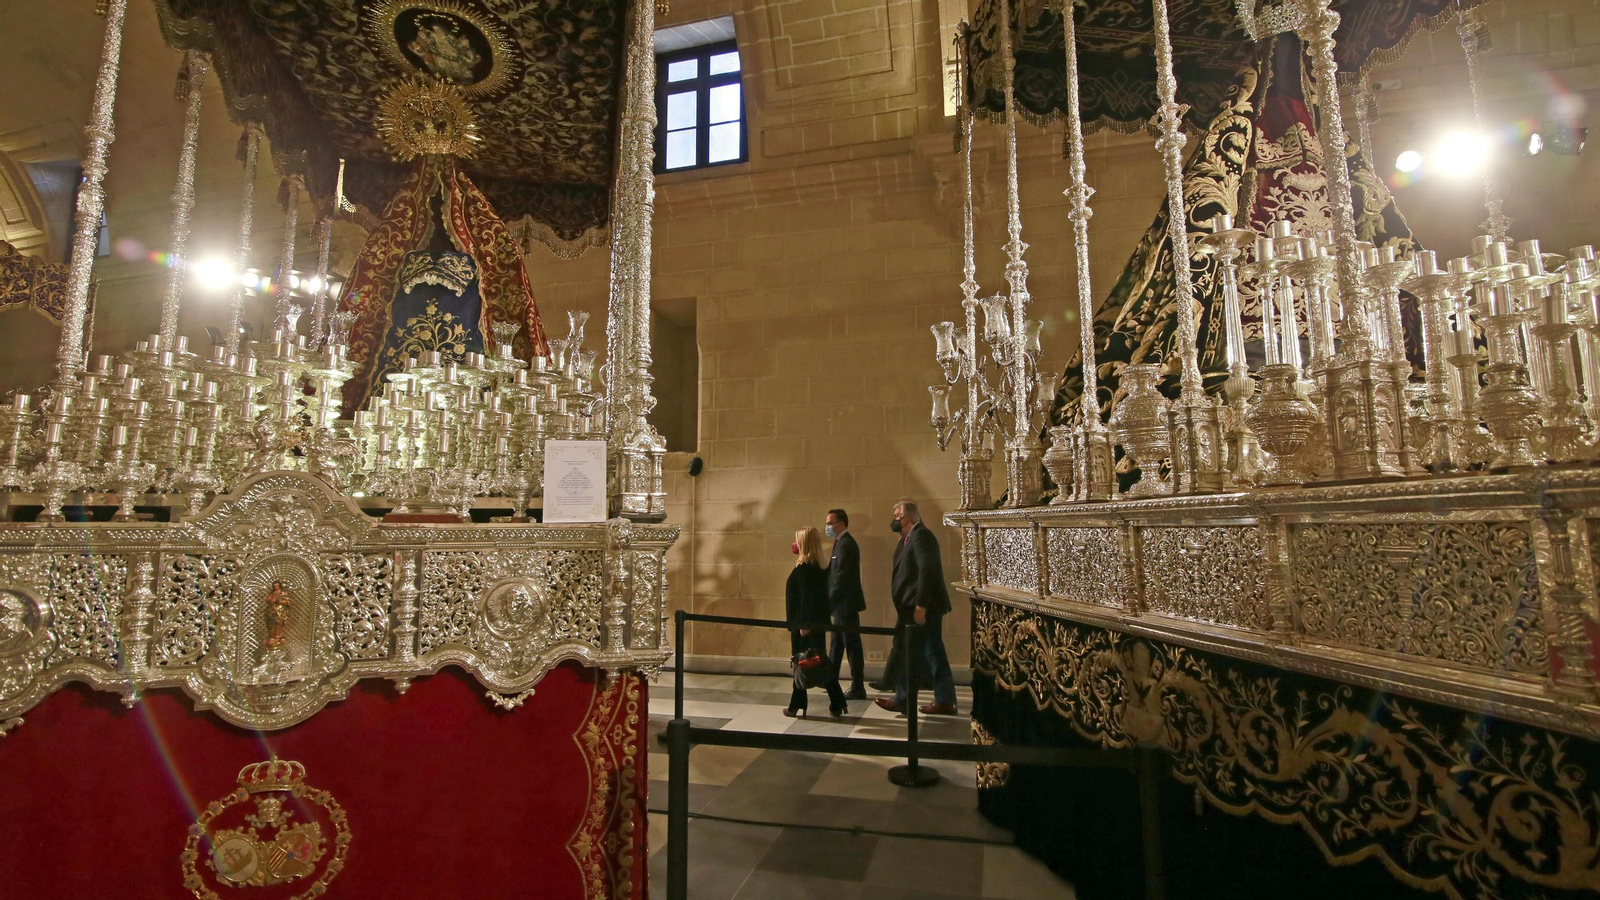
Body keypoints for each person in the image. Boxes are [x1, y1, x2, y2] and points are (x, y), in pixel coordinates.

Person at [875, 500, 957, 715]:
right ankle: (945, 700)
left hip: (921, 607)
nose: (894, 520)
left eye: (897, 516)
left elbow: (926, 570)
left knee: (910, 654)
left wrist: (921, 604)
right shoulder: (908, 538)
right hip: (913, 606)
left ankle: (903, 699)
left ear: (907, 517)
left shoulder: (921, 535)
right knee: (933, 653)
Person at [786, 526, 849, 718]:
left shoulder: (805, 569)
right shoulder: (817, 567)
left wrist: (804, 625)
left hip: (805, 625)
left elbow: (807, 599)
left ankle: (801, 705)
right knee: (812, 662)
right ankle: (832, 703)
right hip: (813, 624)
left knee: (808, 662)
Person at [825, 508, 868, 700]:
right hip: (840, 606)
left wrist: (829, 601)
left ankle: (858, 686)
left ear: (840, 523)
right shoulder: (839, 543)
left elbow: (841, 577)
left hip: (846, 604)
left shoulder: (847, 544)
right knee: (836, 645)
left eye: (829, 523)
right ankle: (830, 680)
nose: (827, 527)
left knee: (851, 646)